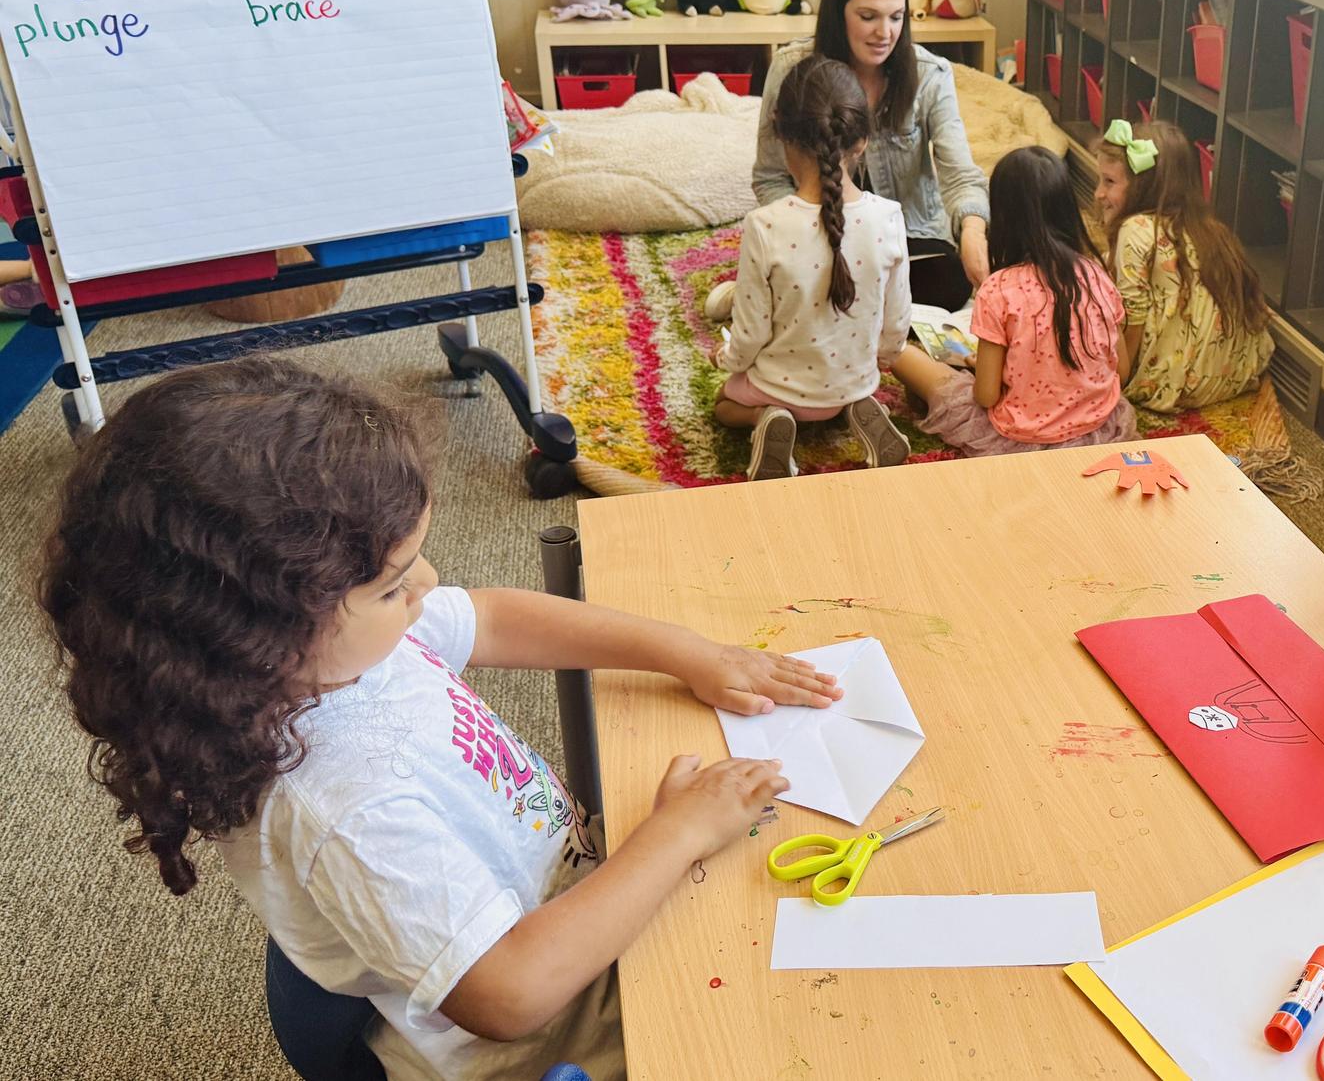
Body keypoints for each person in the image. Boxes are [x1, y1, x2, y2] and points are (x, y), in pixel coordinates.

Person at [40, 357, 840, 1081]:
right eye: (392, 584)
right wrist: (677, 836)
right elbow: (511, 994)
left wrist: (682, 651)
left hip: (573, 900)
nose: (427, 582)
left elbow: (491, 619)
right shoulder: (346, 809)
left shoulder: (336, 650)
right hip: (550, 1037)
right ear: (257, 631)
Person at [737, 0, 987, 311]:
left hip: (905, 238)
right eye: (868, 17)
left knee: (947, 281)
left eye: (897, 17)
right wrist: (806, 232)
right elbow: (771, 176)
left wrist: (972, 230)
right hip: (821, 232)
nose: (885, 32)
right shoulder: (792, 67)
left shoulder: (931, 74)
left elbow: (961, 176)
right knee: (801, 273)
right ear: (838, 14)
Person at [713, 53, 913, 480]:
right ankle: (859, 409)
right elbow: (896, 328)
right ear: (861, 142)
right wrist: (876, 363)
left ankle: (766, 419)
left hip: (779, 388)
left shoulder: (764, 225)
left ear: (782, 137)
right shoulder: (890, 218)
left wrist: (726, 358)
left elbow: (751, 334)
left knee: (724, 403)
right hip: (853, 382)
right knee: (846, 390)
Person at [891, 145, 1136, 456]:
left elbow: (986, 396)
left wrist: (984, 368)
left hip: (1016, 438)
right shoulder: (1096, 275)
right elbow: (1121, 372)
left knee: (901, 355)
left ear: (1004, 217)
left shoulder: (998, 290)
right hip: (1098, 429)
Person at [1091, 119, 1275, 412]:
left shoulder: (1136, 230)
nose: (1099, 193)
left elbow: (1131, 322)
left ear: (1144, 187)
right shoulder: (1210, 227)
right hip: (1237, 374)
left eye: (1110, 182)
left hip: (1173, 383)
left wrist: (1114, 383)